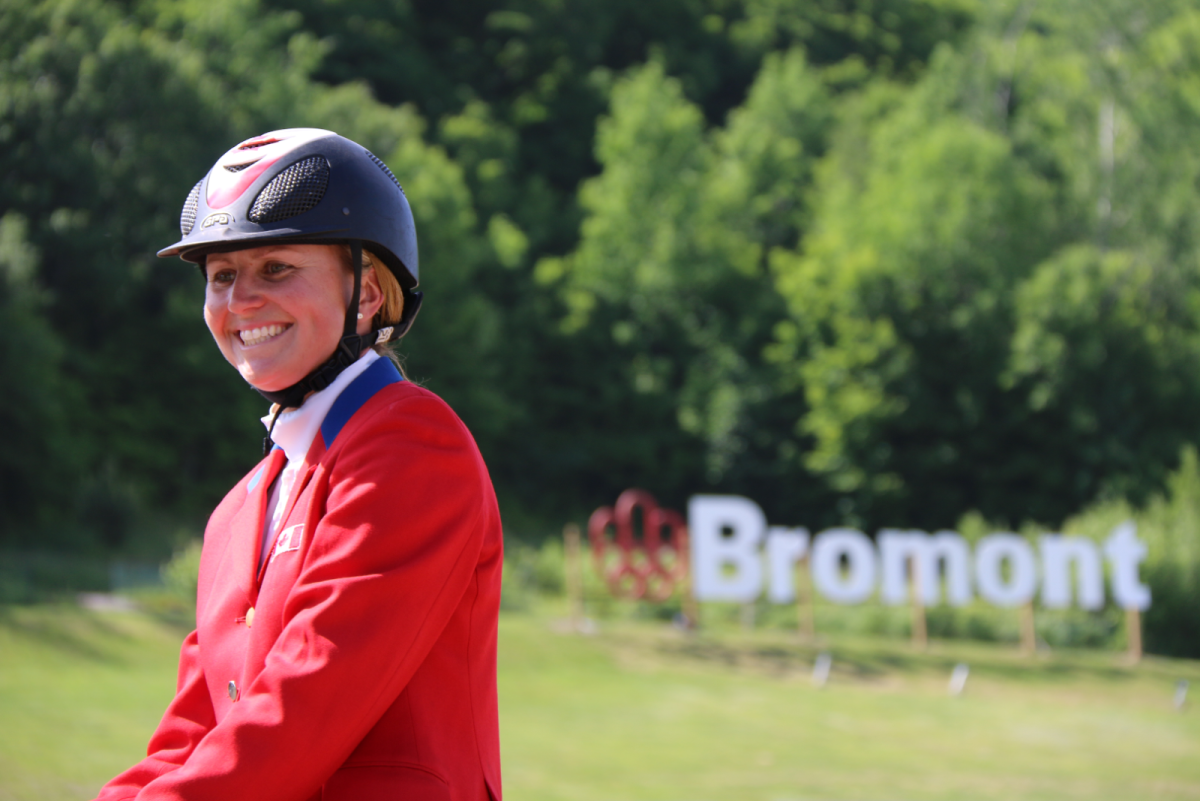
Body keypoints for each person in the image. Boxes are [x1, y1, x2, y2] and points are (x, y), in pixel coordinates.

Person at [93, 128, 504, 801]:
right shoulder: (237, 510)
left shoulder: (414, 444)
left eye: (275, 268)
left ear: (367, 293)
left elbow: (311, 691)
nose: (239, 301)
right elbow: (192, 737)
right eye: (222, 277)